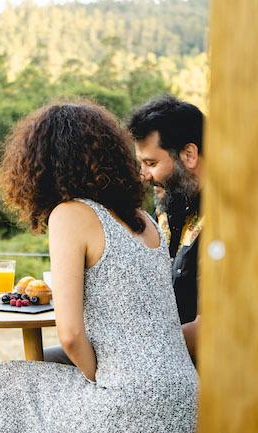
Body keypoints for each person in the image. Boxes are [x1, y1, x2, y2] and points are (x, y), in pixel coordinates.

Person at [0, 101, 197, 433]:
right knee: (36, 374)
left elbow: (71, 335)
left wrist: (100, 378)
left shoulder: (70, 214)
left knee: (6, 382)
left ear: (40, 165)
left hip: (131, 404)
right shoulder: (144, 219)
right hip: (189, 399)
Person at [43, 94, 204, 365]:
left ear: (189, 154)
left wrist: (127, 347)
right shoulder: (166, 209)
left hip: (184, 366)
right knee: (37, 361)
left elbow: (210, 332)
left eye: (151, 163)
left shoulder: (232, 223)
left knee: (32, 372)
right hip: (146, 353)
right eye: (140, 163)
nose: (143, 175)